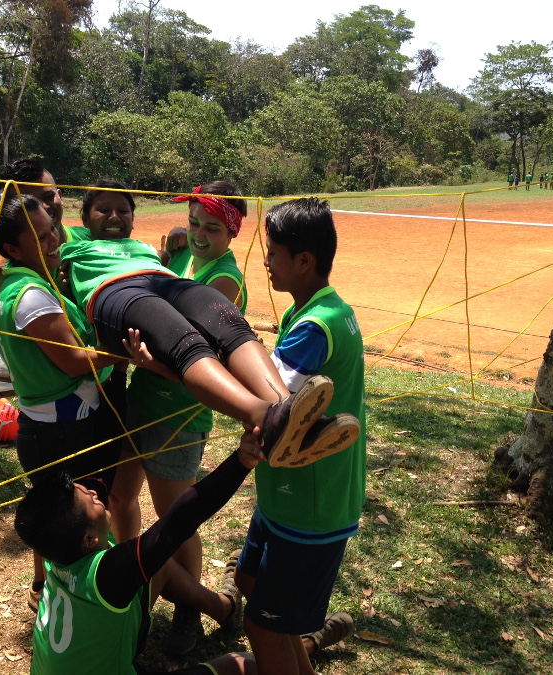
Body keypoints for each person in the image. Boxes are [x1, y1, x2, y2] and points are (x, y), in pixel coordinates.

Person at [58, 181, 360, 467]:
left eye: (123, 211)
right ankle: (266, 416)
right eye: (103, 210)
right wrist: (51, 197)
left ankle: (291, 415)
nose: (114, 216)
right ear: (83, 217)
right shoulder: (74, 238)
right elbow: (38, 225)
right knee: (186, 340)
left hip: (159, 281)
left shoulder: (144, 248)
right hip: (113, 291)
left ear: (134, 218)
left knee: (231, 324)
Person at [109, 181, 249, 657]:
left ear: (231, 233)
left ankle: (195, 605)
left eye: (211, 227)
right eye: (193, 223)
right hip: (141, 398)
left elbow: (201, 356)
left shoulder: (224, 281)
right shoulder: (184, 259)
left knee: (177, 519)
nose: (198, 235)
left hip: (179, 413)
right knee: (119, 496)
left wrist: (151, 362)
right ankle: (131, 581)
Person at [230, 198, 367, 675]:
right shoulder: (325, 309)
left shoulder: (313, 327)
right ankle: (301, 652)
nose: (264, 260)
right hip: (288, 499)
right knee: (249, 582)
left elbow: (264, 404)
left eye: (273, 251)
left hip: (309, 507)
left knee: (263, 626)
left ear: (303, 261)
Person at [14, 431, 267, 675]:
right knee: (245, 665)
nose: (94, 492)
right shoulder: (107, 576)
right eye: (91, 500)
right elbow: (180, 521)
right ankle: (299, 644)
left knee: (159, 565)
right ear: (89, 539)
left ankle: (225, 608)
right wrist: (241, 461)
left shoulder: (55, 555)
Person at [0, 190, 125, 612]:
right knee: (78, 529)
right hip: (59, 433)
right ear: (12, 249)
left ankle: (63, 601)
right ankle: (86, 610)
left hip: (58, 427)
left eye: (53, 230)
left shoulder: (28, 278)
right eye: (43, 237)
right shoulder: (29, 294)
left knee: (67, 529)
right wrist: (125, 354)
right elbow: (71, 362)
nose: (55, 243)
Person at [0, 158, 90, 295]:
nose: (42, 208)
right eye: (28, 204)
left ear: (60, 196)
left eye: (48, 197)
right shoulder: (18, 275)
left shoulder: (93, 238)